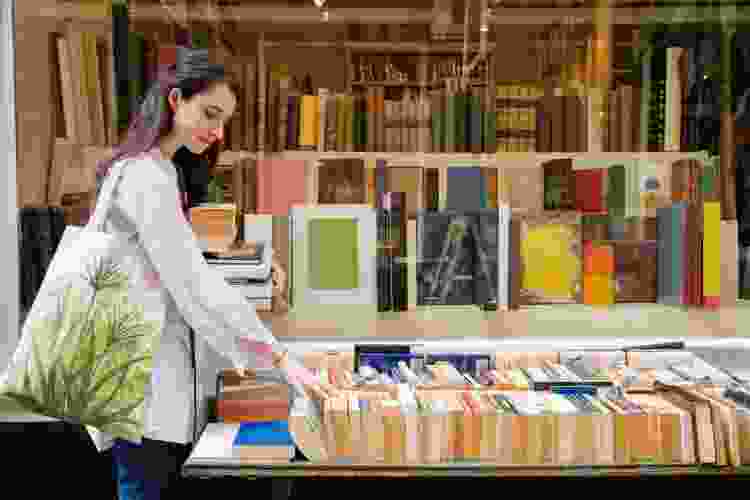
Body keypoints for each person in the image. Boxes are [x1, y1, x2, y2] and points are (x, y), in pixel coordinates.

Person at [90, 46, 335, 500]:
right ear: (175, 100)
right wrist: (279, 359)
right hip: (142, 392)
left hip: (151, 388)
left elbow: (179, 271)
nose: (218, 132)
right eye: (209, 113)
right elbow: (193, 283)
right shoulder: (144, 176)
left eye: (224, 121)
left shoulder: (158, 171)